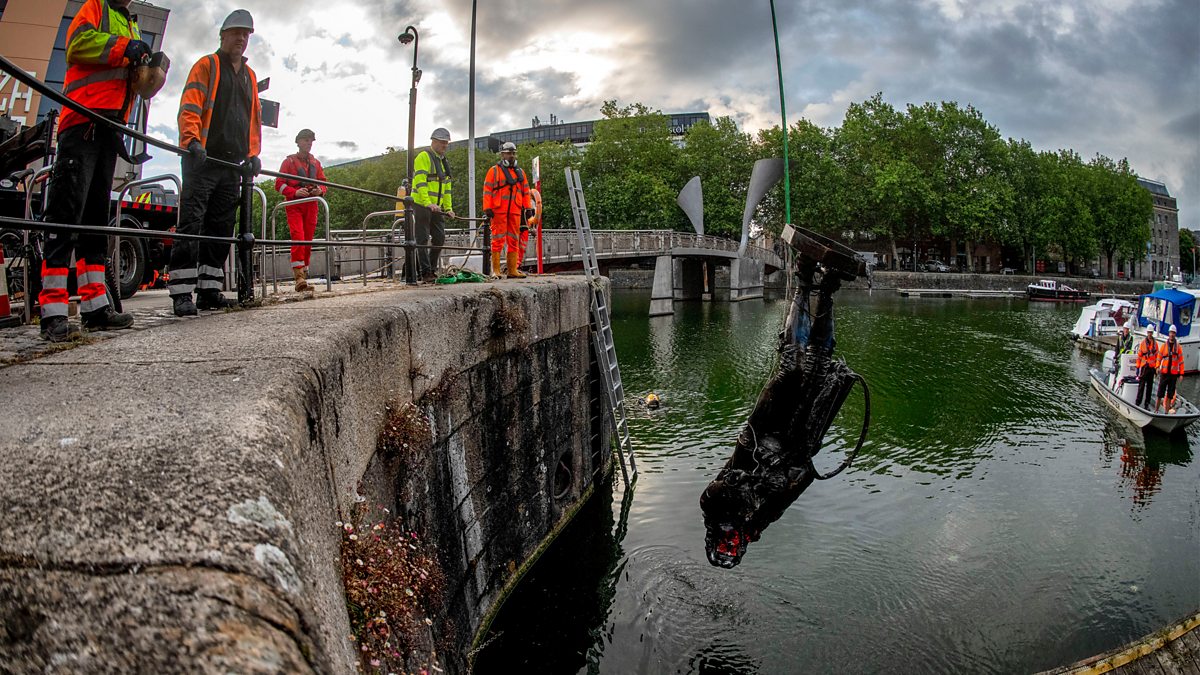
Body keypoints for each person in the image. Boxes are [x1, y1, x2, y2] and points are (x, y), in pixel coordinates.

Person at [36, 0, 149, 341]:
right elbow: (77, 46)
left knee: (95, 221)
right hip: (82, 121)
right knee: (65, 214)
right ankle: (52, 313)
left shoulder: (131, 22)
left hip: (108, 127)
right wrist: (126, 48)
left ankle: (95, 307)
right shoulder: (95, 7)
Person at [169, 9, 262, 316]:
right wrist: (191, 141)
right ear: (223, 35)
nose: (241, 38)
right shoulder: (207, 65)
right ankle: (181, 292)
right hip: (203, 158)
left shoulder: (249, 76)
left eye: (246, 34)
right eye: (236, 32)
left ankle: (210, 289)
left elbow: (253, 120)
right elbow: (191, 104)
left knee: (221, 227)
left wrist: (252, 153)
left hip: (232, 164)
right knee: (192, 223)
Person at [275, 128, 326, 292]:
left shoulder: (316, 163)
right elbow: (279, 184)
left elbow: (324, 182)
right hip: (295, 205)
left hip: (312, 204)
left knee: (308, 240)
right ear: (298, 142)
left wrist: (320, 191)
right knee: (298, 237)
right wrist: (294, 192)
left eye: (311, 140)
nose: (309, 143)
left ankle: (304, 274)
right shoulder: (288, 162)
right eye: (306, 140)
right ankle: (298, 277)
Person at [482, 142, 534, 279]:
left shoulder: (520, 172)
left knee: (514, 240)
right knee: (497, 239)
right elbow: (487, 190)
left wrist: (528, 207)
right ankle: (496, 271)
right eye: (508, 153)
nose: (511, 156)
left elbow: (525, 191)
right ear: (502, 154)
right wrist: (487, 207)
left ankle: (512, 270)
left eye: (513, 153)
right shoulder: (494, 171)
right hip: (499, 210)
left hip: (515, 210)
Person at [411, 128, 454, 281]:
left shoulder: (443, 162)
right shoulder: (424, 157)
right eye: (442, 142)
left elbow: (447, 188)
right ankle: (426, 272)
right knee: (422, 238)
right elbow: (420, 181)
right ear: (433, 142)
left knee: (439, 237)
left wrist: (448, 208)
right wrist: (427, 203)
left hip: (437, 207)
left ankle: (431, 268)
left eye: (446, 143)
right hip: (422, 205)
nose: (445, 146)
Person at [1156, 324, 1185, 412]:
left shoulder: (1178, 348)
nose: (1172, 334)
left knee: (1170, 395)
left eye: (1173, 333)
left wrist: (1181, 374)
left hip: (1173, 375)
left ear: (1175, 334)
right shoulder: (1164, 346)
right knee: (1160, 393)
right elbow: (1159, 357)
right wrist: (1157, 367)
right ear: (1168, 334)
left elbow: (1181, 361)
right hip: (1164, 373)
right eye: (1171, 332)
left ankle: (1166, 412)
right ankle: (1156, 410)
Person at [1135, 327, 1158, 408]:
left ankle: (1146, 404)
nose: (1149, 334)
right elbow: (1139, 356)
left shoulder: (1155, 344)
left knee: (1149, 387)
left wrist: (1156, 368)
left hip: (1151, 368)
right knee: (1141, 386)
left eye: (1151, 332)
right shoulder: (1143, 343)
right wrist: (1137, 367)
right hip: (1144, 367)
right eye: (1148, 332)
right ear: (1147, 333)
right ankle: (1138, 402)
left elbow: (1157, 357)